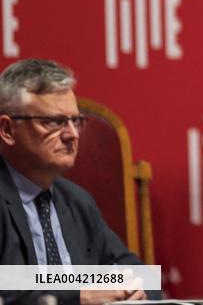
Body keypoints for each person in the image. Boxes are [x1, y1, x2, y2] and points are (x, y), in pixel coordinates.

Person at [0, 58, 155, 305]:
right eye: (54, 122)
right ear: (8, 130)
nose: (72, 135)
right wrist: (77, 295)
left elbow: (143, 276)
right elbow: (6, 283)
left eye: (76, 121)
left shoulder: (77, 200)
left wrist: (133, 288)